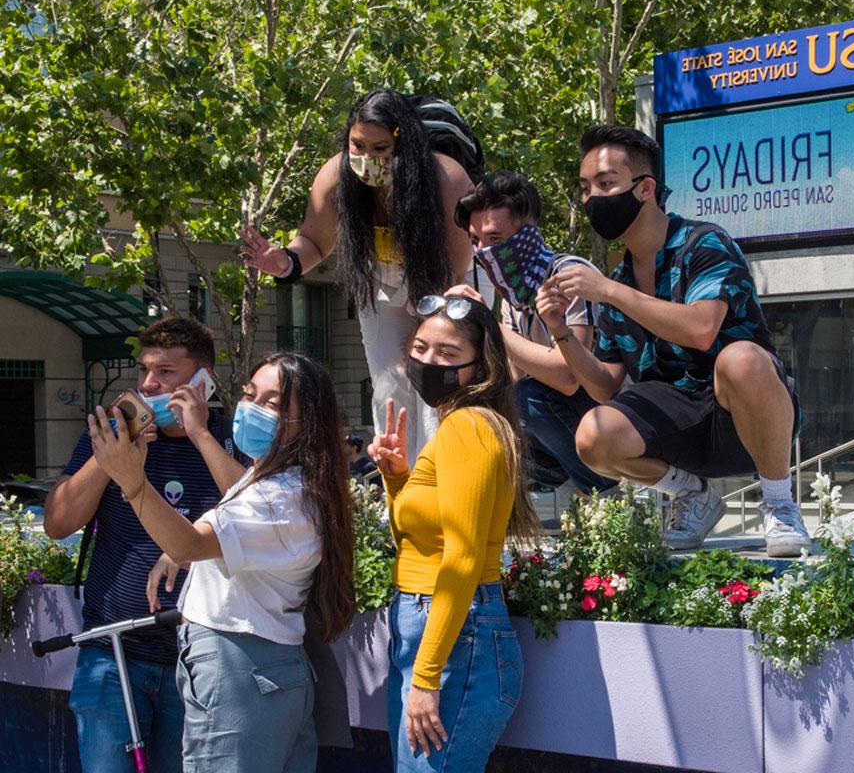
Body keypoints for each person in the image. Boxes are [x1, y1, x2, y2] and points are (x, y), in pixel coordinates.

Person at [539, 125, 810, 557]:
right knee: (593, 434)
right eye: (586, 187)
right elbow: (606, 386)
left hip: (742, 420)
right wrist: (560, 331)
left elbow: (701, 330)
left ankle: (778, 504)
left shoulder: (704, 243)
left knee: (741, 359)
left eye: (606, 183)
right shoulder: (617, 280)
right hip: (676, 427)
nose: (593, 198)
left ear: (645, 188)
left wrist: (609, 292)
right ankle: (691, 495)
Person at [86, 351, 356, 772]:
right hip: (266, 673)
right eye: (249, 394)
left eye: (271, 402)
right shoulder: (283, 483)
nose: (250, 408)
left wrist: (132, 482)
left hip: (240, 672)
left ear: (309, 422)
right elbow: (223, 528)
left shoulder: (280, 497)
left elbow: (193, 543)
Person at [43, 317, 247, 773]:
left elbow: (255, 516)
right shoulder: (107, 439)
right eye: (143, 372)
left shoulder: (232, 438)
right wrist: (111, 456)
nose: (149, 383)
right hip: (113, 653)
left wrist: (200, 434)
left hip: (199, 656)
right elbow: (58, 523)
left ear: (203, 381)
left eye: (166, 373)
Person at [241, 89, 480, 455]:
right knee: (388, 385)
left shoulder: (446, 180)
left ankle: (442, 478)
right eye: (358, 146)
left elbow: (456, 268)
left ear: (405, 145)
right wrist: (285, 262)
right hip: (383, 284)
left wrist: (429, 332)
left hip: (449, 287)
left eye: (380, 149)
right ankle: (396, 485)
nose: (367, 158)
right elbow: (315, 241)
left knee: (435, 384)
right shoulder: (335, 177)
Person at [368, 294, 540, 772]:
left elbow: (462, 558)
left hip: (454, 637)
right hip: (435, 628)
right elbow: (420, 538)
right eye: (420, 348)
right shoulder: (458, 427)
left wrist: (426, 677)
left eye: (447, 354)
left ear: (479, 366)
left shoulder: (469, 426)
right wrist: (397, 476)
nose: (427, 361)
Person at [448, 170, 617, 497]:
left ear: (526, 235)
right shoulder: (513, 294)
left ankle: (602, 488)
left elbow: (571, 378)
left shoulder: (568, 275)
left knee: (530, 398)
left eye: (495, 239)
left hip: (611, 411)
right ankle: (561, 484)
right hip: (561, 415)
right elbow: (514, 379)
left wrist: (491, 325)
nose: (483, 252)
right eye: (475, 241)